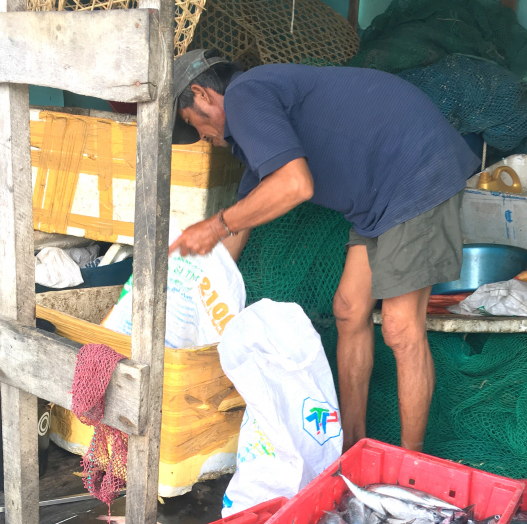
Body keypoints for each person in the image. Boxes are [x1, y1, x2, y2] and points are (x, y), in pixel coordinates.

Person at [169, 49, 479, 453]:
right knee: (350, 309)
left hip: (416, 172)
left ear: (203, 93)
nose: (207, 138)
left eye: (199, 125)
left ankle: (411, 462)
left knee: (402, 328)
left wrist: (213, 224)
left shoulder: (246, 94)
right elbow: (237, 232)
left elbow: (296, 186)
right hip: (377, 199)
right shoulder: (259, 128)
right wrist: (189, 288)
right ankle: (352, 447)